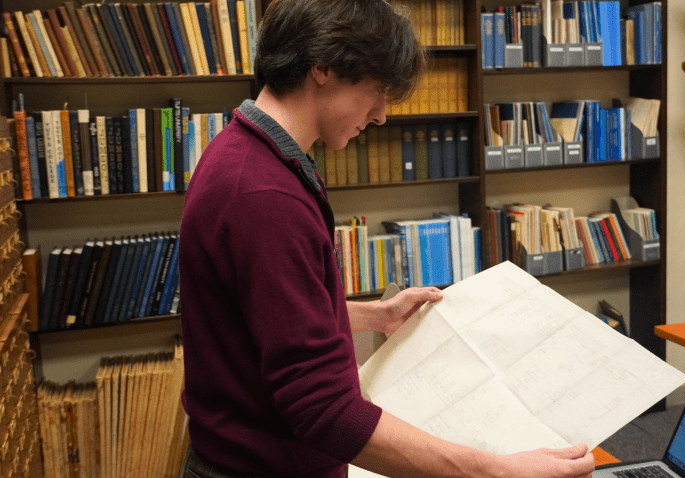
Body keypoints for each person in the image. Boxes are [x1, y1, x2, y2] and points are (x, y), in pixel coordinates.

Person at [178, 0, 596, 477]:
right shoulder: (264, 193)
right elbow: (323, 410)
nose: (379, 115)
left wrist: (370, 315)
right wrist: (496, 471)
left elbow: (264, 312)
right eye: (375, 91)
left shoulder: (242, 152)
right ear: (323, 66)